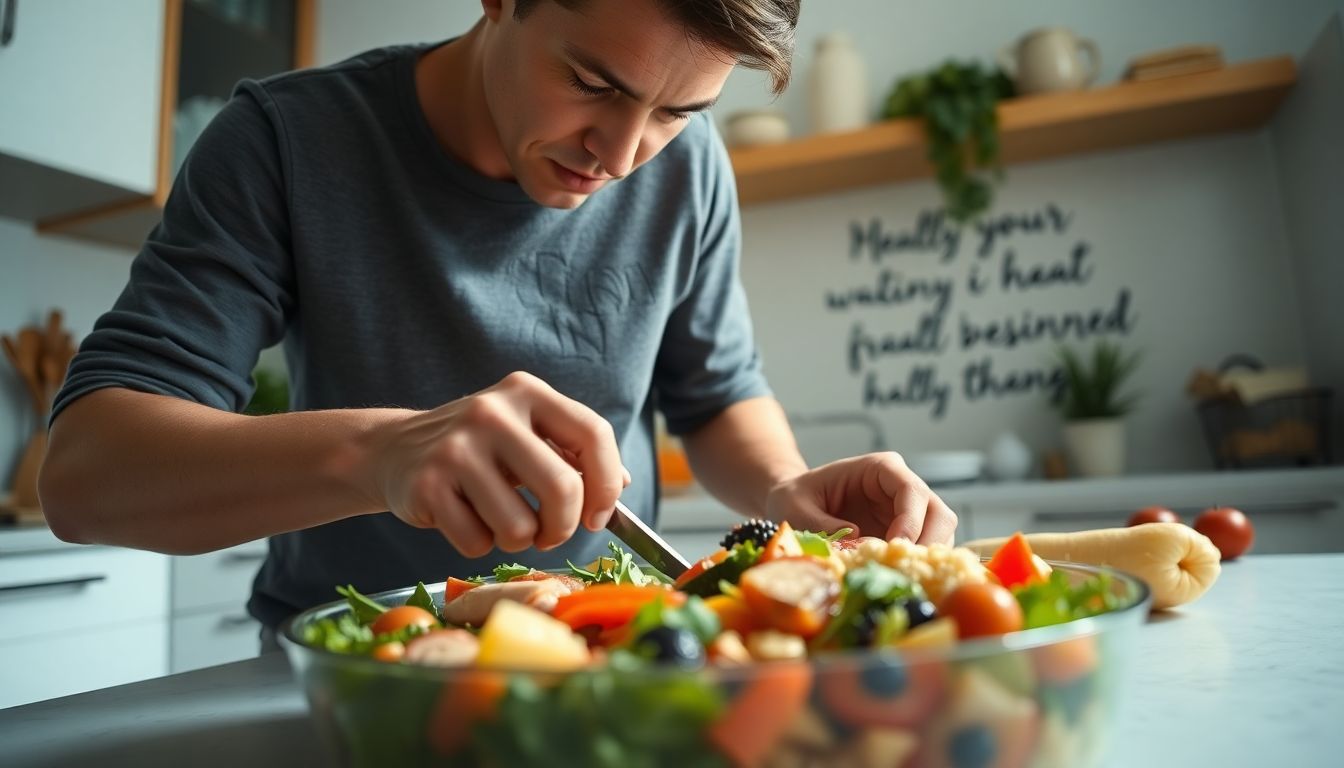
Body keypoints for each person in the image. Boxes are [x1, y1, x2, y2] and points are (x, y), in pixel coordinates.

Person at [39, 0, 957, 638]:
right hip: (358, 667)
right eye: (594, 82)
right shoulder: (286, 142)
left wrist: (782, 495)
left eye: (677, 111)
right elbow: (84, 474)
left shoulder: (691, 170)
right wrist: (382, 454)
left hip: (606, 662)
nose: (624, 154)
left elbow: (716, 397)